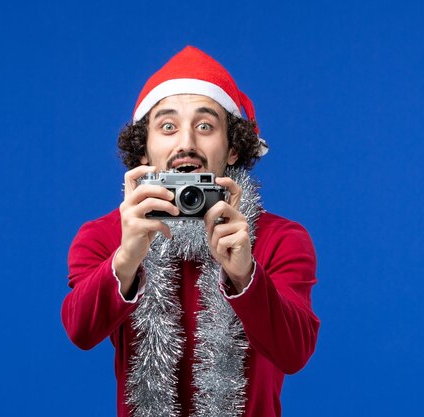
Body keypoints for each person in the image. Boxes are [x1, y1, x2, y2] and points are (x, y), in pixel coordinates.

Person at [61, 46, 320, 417]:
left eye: (205, 126)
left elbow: (294, 354)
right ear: (144, 151)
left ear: (232, 149)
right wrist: (125, 259)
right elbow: (80, 331)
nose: (186, 143)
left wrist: (245, 275)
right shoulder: (106, 235)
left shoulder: (280, 237)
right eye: (168, 127)